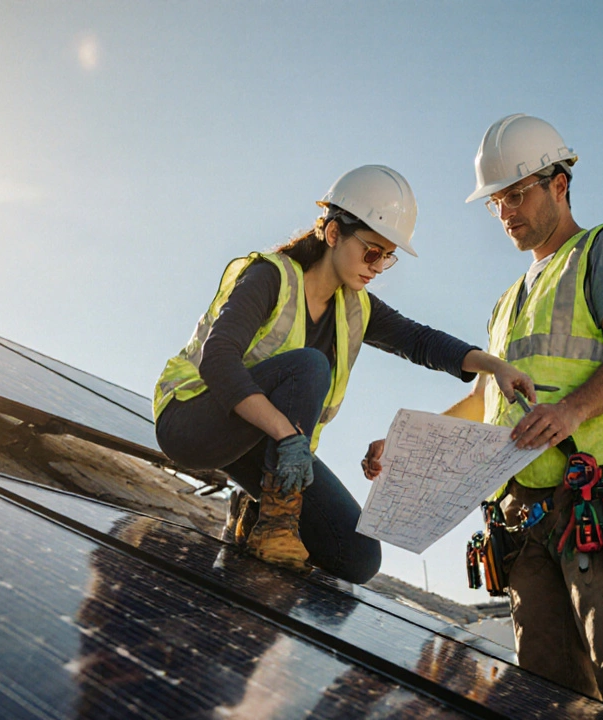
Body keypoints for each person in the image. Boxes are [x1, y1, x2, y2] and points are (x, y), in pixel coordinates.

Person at [153, 165, 535, 584]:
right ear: (333, 233)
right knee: (309, 365)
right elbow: (218, 359)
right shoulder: (271, 276)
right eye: (372, 251)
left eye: (387, 257)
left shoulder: (355, 307)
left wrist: (495, 366)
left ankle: (255, 513)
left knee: (356, 556)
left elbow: (421, 341)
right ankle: (277, 525)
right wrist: (286, 434)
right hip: (191, 421)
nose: (377, 266)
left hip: (264, 447)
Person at [437, 115, 603, 719]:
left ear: (559, 183)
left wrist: (571, 410)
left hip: (597, 502)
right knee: (550, 695)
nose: (505, 213)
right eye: (496, 202)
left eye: (516, 194)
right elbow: (489, 403)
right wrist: (411, 442)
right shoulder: (507, 301)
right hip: (522, 519)